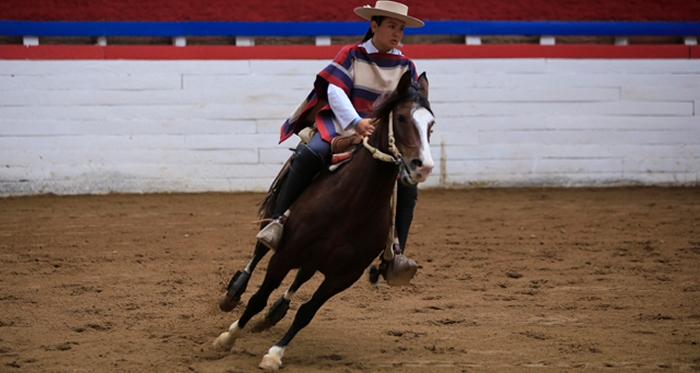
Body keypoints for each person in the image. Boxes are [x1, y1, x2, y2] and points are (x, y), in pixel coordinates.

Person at [256, 1, 424, 282]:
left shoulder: (406, 65)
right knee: (310, 154)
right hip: (343, 127)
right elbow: (335, 91)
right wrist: (357, 122)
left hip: (382, 137)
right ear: (374, 26)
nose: (397, 33)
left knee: (408, 186)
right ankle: (277, 222)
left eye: (401, 28)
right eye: (392, 26)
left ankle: (395, 253)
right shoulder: (352, 54)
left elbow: (410, 105)